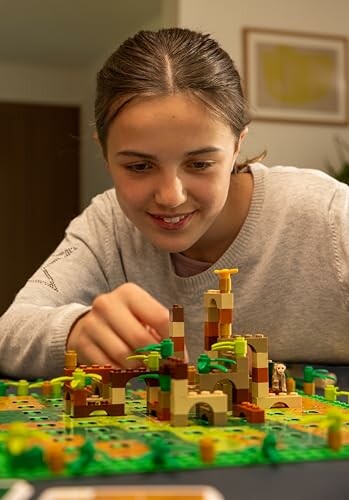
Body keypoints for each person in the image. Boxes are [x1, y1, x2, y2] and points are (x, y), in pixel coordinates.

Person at [0, 27, 348, 381]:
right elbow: (11, 330)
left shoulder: (331, 217)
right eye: (138, 166)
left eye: (199, 164)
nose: (171, 197)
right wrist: (75, 331)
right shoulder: (106, 225)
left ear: (237, 147)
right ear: (104, 154)